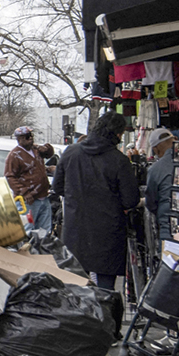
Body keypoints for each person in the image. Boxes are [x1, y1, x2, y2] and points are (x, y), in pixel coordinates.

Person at [51, 112, 139, 289]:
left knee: (75, 284)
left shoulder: (71, 153)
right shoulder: (119, 161)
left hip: (75, 229)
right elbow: (130, 200)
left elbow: (57, 187)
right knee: (106, 287)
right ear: (116, 134)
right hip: (108, 232)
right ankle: (105, 315)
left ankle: (80, 316)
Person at [3, 126, 53, 236]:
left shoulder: (36, 150)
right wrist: (24, 192)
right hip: (28, 201)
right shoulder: (14, 155)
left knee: (44, 230)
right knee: (28, 230)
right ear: (19, 139)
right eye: (26, 137)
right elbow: (10, 176)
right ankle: (28, 251)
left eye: (31, 136)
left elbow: (49, 154)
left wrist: (47, 148)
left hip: (43, 197)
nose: (30, 138)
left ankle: (41, 251)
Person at [141, 127, 178, 254]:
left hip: (168, 226)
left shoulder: (156, 169)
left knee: (169, 263)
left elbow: (151, 201)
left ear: (156, 149)